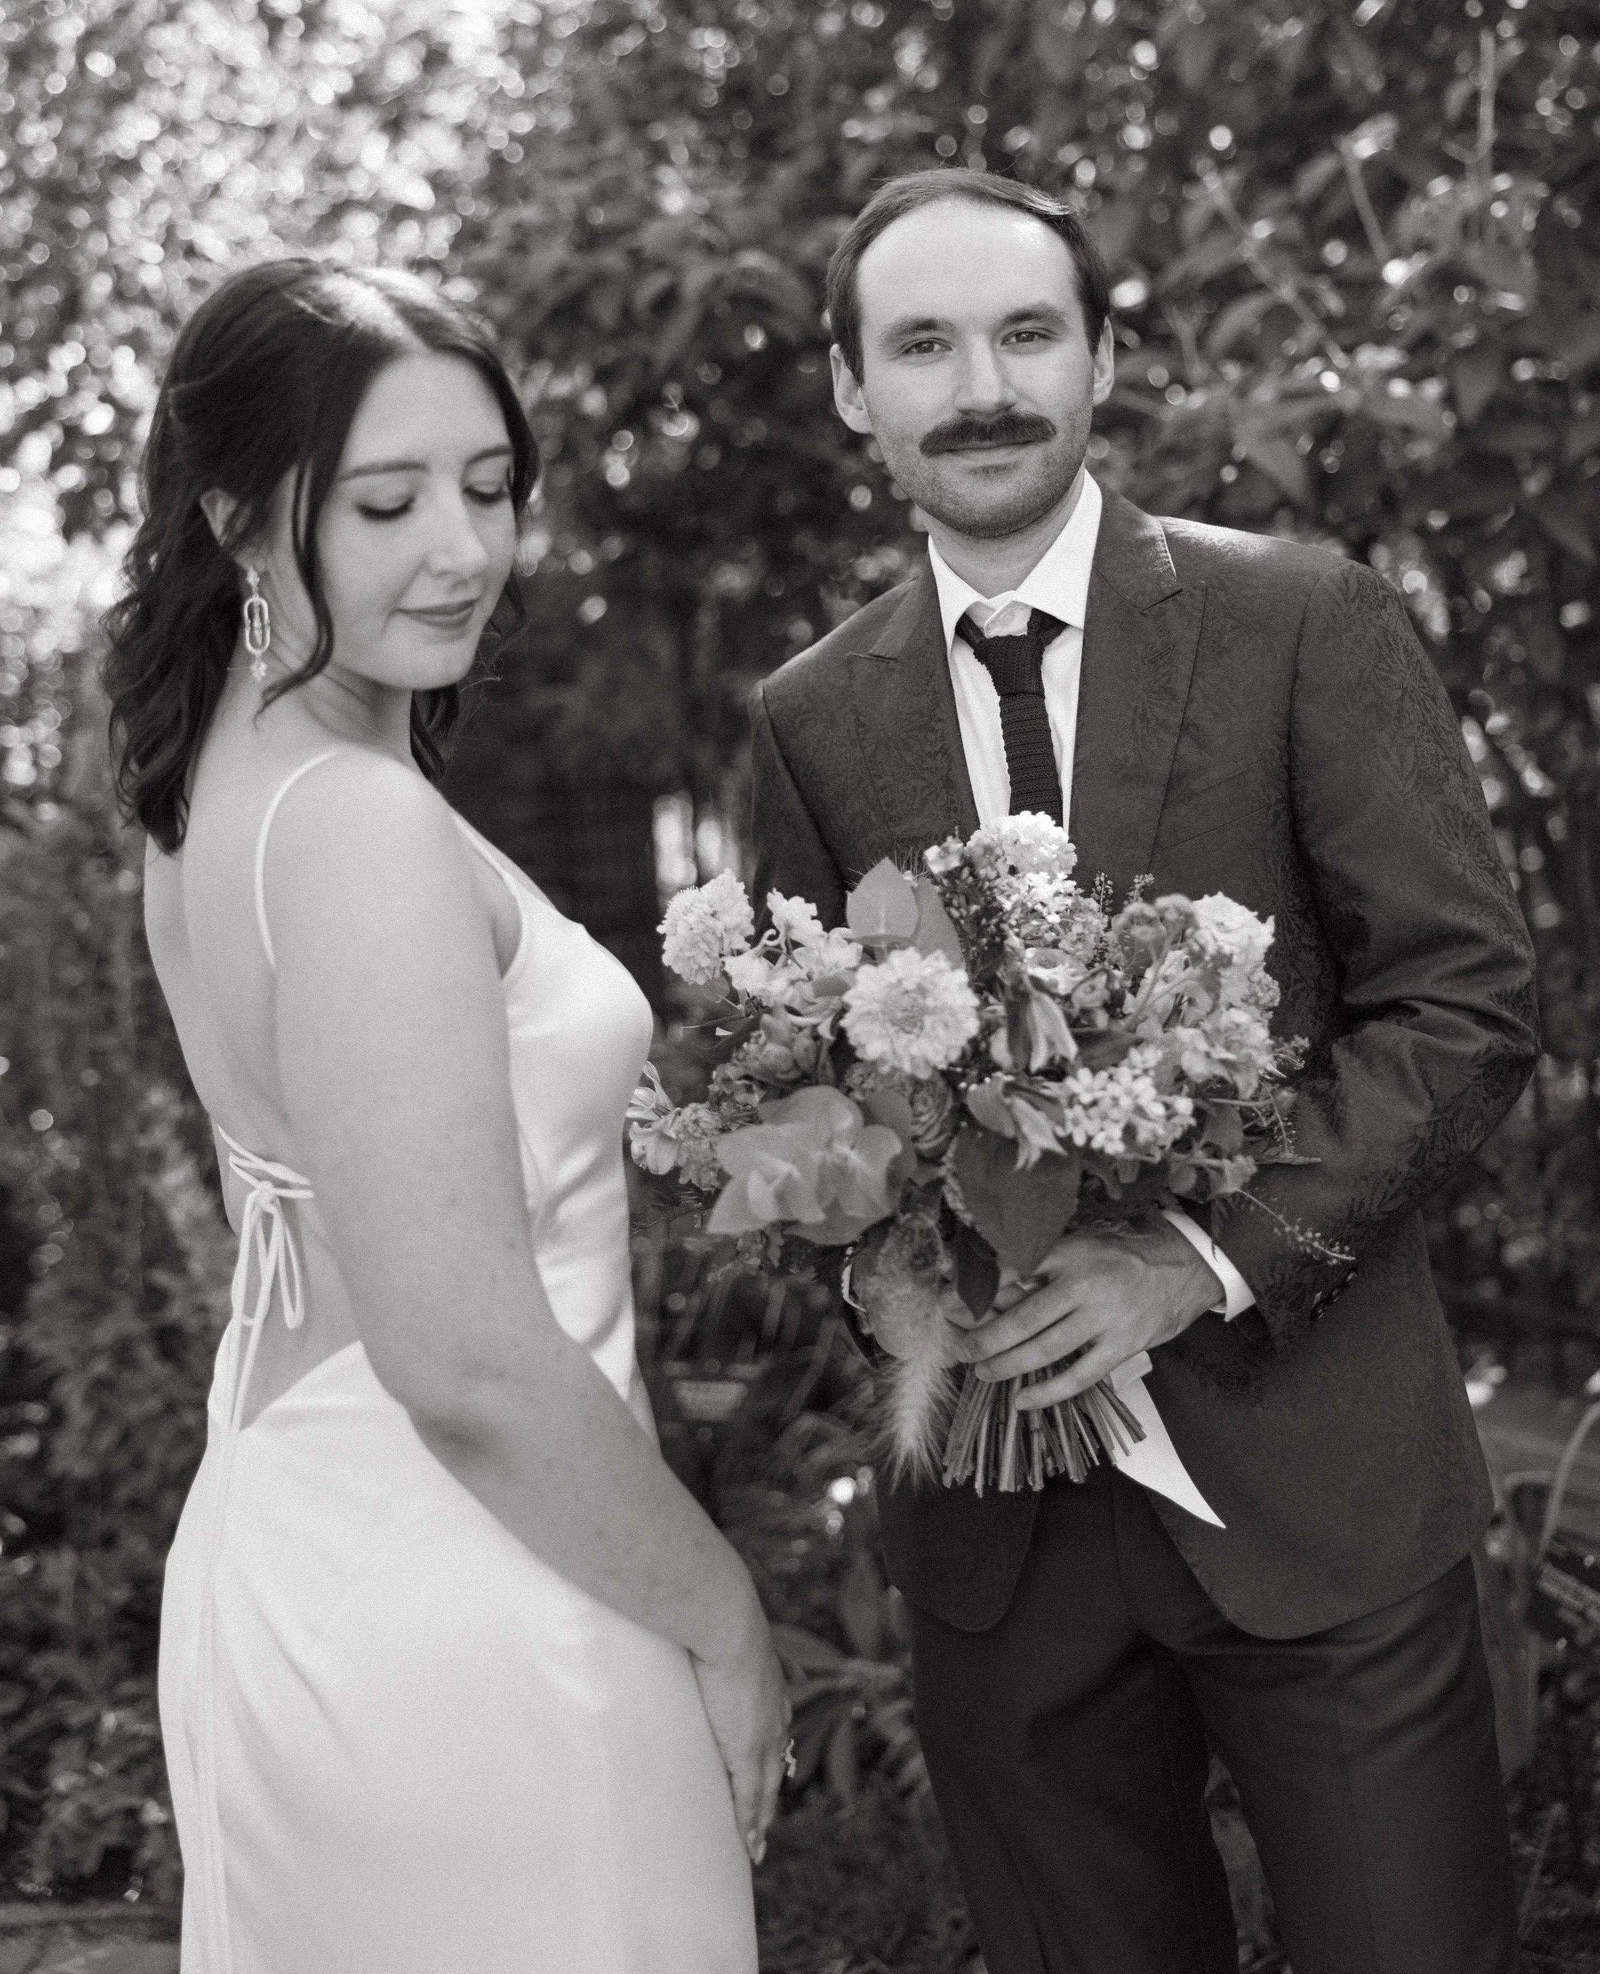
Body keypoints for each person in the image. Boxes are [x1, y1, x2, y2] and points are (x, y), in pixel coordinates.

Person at [748, 168, 1539, 1974]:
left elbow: (1466, 999)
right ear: (856, 395)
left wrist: (1199, 1261)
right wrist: (879, 1257)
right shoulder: (809, 714)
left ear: (1106, 357)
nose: (984, 386)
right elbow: (807, 1092)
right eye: (924, 344)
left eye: (1029, 333)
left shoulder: (1300, 618)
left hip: (1318, 1483)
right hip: (1002, 1538)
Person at [104, 261, 784, 1974]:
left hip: (303, 1530)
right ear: (243, 520)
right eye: (390, 500)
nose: (465, 548)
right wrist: (724, 1623)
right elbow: (465, 1358)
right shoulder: (355, 826)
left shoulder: (219, 793)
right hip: (478, 1592)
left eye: (489, 489)